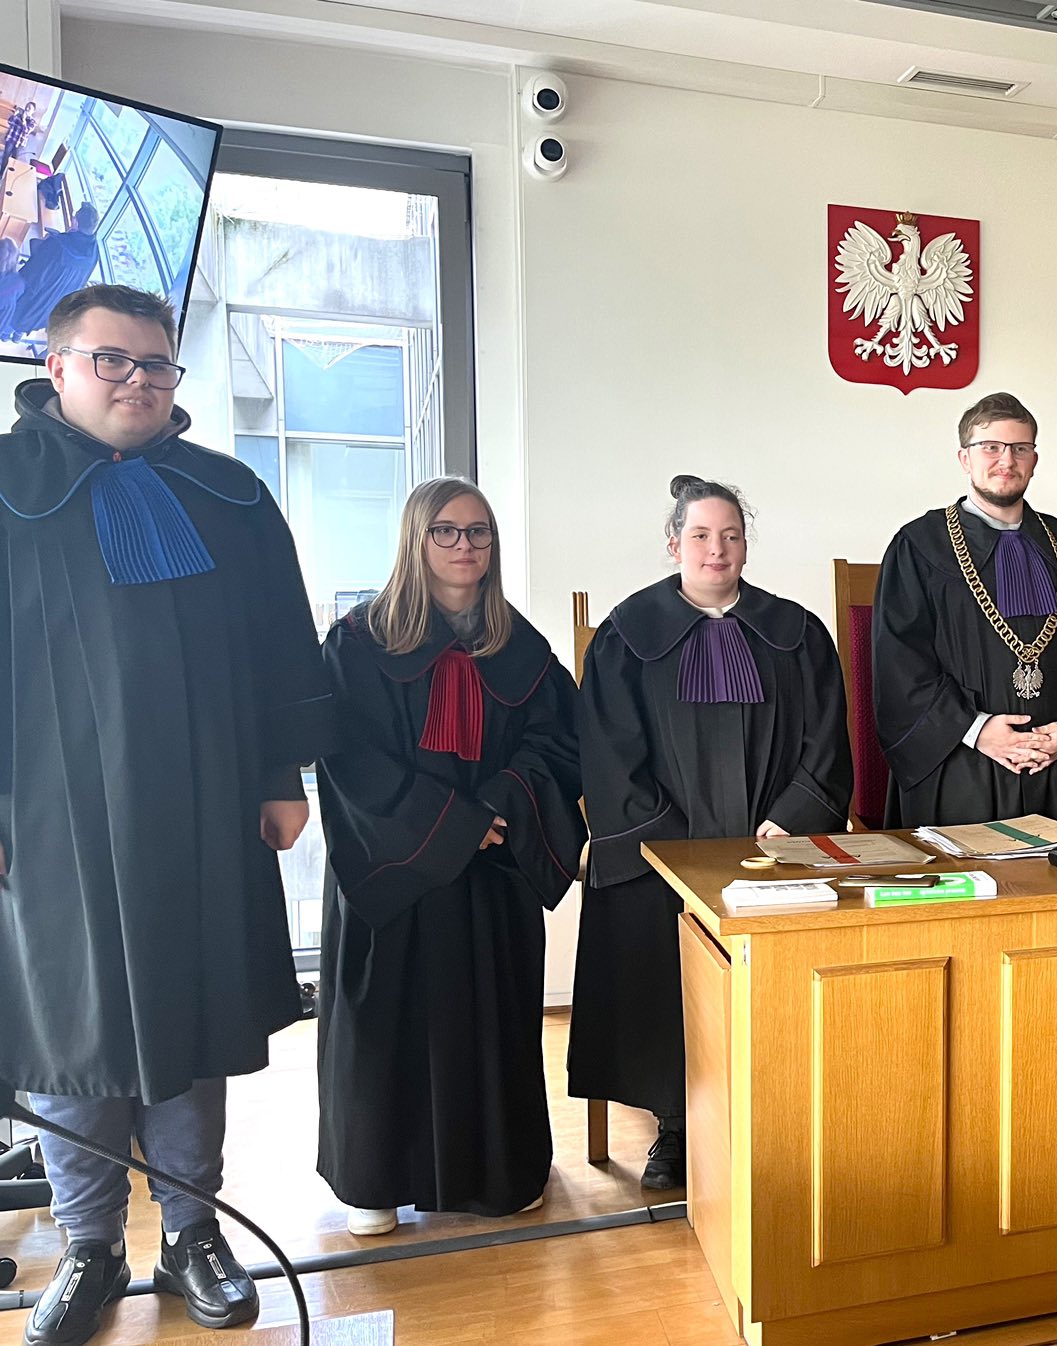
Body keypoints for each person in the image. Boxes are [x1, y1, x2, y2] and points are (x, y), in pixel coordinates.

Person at [0, 284, 332, 1346]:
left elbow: (279, 643)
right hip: (46, 824)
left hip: (202, 805)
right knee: (73, 1033)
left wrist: (281, 775)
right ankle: (90, 1244)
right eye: (114, 361)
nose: (139, 381)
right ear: (56, 368)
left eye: (155, 364)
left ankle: (193, 1233)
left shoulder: (227, 494)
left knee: (192, 1020)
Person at [315, 478, 586, 1238]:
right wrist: (455, 824)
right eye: (446, 531)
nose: (465, 545)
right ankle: (374, 1181)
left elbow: (559, 743)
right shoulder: (358, 643)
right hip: (394, 871)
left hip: (490, 873)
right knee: (384, 1026)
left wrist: (500, 808)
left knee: (489, 1025)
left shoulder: (521, 648)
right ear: (416, 539)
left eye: (479, 532)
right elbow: (350, 760)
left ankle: (497, 1174)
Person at [571, 475, 853, 1189]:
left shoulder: (796, 634)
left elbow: (827, 743)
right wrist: (675, 846)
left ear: (746, 547)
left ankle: (779, 1112)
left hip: (773, 845)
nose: (716, 549)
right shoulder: (626, 636)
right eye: (700, 535)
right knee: (657, 960)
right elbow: (609, 756)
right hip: (659, 850)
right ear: (674, 544)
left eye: (730, 535)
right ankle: (676, 1125)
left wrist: (792, 817)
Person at [872, 392, 1057, 826]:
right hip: (958, 766)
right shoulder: (919, 547)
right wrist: (976, 731)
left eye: (1020, 448)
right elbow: (900, 665)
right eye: (990, 447)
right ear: (964, 458)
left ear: (1034, 459)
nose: (1006, 460)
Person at [7, 202, 99, 343]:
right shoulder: (94, 252)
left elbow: (34, 273)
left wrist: (45, 243)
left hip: (37, 295)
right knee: (30, 318)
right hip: (56, 303)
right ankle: (17, 336)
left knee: (18, 310)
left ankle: (6, 333)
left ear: (75, 222)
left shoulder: (58, 244)